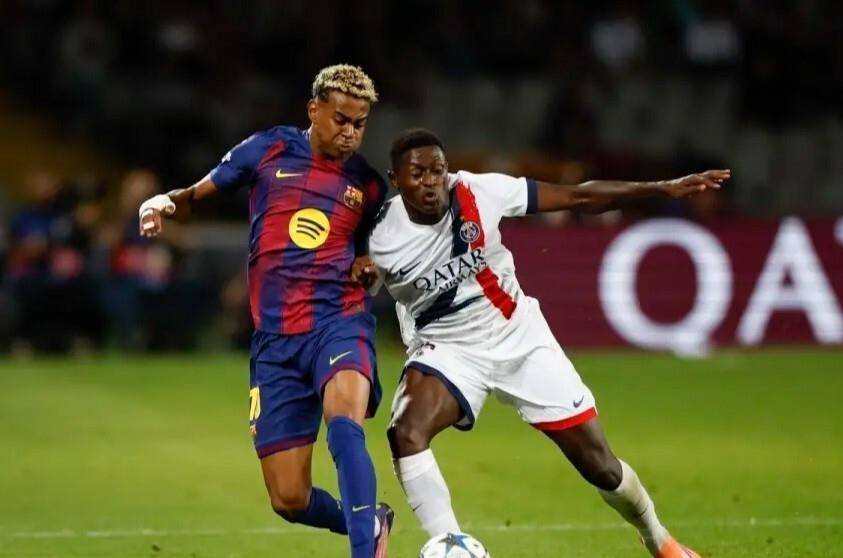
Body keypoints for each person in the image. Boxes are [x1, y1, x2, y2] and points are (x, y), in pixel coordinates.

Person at [357, 128, 730, 558]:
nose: (430, 182)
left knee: (601, 467)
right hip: (447, 348)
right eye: (417, 174)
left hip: (518, 337)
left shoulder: (479, 191)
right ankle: (450, 544)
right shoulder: (380, 238)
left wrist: (661, 188)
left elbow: (576, 196)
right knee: (406, 431)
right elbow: (350, 296)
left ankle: (659, 539)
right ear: (395, 179)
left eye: (437, 170)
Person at [138, 64, 394, 558]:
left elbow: (369, 255)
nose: (350, 133)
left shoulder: (367, 186)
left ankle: (364, 550)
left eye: (360, 124)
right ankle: (370, 519)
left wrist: (368, 268)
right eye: (341, 120)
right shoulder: (269, 149)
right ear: (314, 110)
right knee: (289, 498)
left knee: (345, 424)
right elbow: (196, 195)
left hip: (338, 322)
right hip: (276, 342)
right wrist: (163, 203)